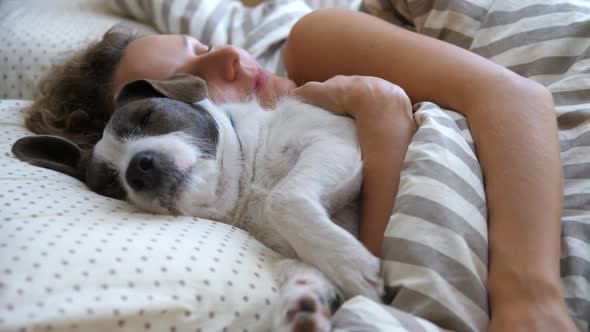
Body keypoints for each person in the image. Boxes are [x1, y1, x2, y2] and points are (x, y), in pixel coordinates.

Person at [24, 4, 576, 332]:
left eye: (205, 45)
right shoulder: (240, 210)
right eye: (195, 76)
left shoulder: (312, 44)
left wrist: (530, 297)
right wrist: (383, 132)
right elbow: (377, 270)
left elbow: (516, 99)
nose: (233, 58)